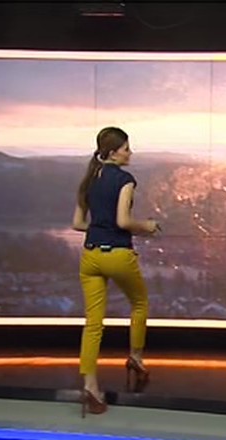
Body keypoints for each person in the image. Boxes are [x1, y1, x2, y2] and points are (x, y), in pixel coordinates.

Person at [72, 127, 161, 417]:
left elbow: (77, 224)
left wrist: (100, 228)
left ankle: (90, 386)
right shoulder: (125, 180)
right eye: (126, 148)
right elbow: (123, 221)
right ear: (113, 153)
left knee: (93, 323)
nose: (130, 153)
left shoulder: (89, 179)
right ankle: (135, 357)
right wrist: (147, 226)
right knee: (139, 303)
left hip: (90, 255)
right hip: (118, 254)